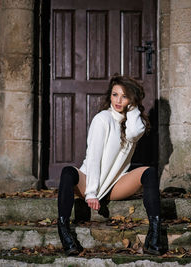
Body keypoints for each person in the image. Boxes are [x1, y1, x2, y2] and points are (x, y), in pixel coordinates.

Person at [57, 74, 162, 256]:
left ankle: (154, 237)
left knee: (149, 173)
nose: (118, 100)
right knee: (67, 172)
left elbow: (134, 132)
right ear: (109, 96)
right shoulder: (102, 119)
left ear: (131, 100)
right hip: (89, 181)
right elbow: (94, 157)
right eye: (115, 95)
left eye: (124, 96)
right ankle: (64, 232)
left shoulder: (132, 122)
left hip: (115, 184)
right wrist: (90, 192)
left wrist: (133, 108)